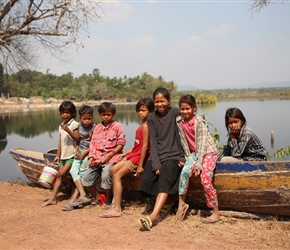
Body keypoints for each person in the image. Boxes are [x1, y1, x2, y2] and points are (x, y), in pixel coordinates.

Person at [138, 87, 185, 231]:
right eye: (157, 101)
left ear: (168, 101)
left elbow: (181, 136)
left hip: (173, 155)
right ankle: (167, 202)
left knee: (164, 182)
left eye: (162, 101)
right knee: (146, 180)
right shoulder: (152, 117)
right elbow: (153, 140)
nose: (160, 104)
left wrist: (182, 156)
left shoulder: (175, 113)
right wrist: (156, 162)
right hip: (159, 155)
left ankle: (153, 217)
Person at [99, 98, 154, 218]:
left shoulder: (146, 126)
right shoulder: (142, 124)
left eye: (143, 110)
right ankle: (116, 200)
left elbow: (145, 147)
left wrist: (140, 166)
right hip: (134, 153)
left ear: (150, 111)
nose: (140, 113)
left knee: (116, 175)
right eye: (139, 110)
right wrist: (126, 153)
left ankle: (117, 208)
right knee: (112, 170)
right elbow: (137, 145)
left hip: (139, 157)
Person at [176, 94, 220, 223]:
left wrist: (199, 165)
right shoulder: (180, 122)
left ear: (194, 108)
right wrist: (189, 159)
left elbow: (201, 144)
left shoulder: (199, 122)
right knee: (184, 173)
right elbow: (184, 142)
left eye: (187, 109)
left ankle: (215, 212)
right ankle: (182, 204)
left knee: (205, 180)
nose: (185, 112)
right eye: (182, 109)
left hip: (207, 152)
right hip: (194, 154)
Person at [83, 102, 126, 208]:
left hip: (112, 158)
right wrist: (91, 157)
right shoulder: (97, 128)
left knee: (106, 175)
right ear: (100, 115)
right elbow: (92, 144)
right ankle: (97, 198)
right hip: (97, 158)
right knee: (87, 179)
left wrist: (109, 155)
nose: (106, 117)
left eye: (109, 114)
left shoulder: (117, 127)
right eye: (104, 114)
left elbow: (121, 144)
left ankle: (108, 197)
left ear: (113, 114)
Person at [42, 101, 79, 207]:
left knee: (60, 174)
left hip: (72, 155)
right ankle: (54, 198)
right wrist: (57, 155)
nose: (65, 115)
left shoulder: (74, 124)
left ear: (72, 113)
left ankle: (75, 189)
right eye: (63, 112)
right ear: (60, 114)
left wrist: (68, 130)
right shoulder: (61, 125)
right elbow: (60, 142)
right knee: (60, 176)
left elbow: (77, 139)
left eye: (67, 112)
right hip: (63, 155)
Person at [62, 105, 95, 211]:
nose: (87, 121)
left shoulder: (94, 127)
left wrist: (87, 151)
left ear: (92, 117)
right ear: (80, 118)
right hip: (79, 153)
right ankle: (83, 195)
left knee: (81, 172)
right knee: (73, 171)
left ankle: (78, 197)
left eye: (89, 118)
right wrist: (76, 150)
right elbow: (78, 141)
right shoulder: (78, 126)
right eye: (84, 119)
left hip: (89, 153)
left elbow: (95, 144)